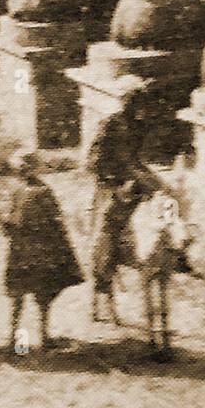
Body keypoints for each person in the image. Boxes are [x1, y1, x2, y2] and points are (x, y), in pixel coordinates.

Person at [0, 152, 83, 351]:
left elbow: (12, 225)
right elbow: (56, 221)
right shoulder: (40, 191)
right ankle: (38, 338)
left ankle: (17, 341)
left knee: (21, 297)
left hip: (23, 252)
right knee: (40, 296)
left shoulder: (24, 191)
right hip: (37, 252)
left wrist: (2, 220)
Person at [87, 86, 152, 322]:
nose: (141, 112)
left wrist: (147, 178)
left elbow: (136, 159)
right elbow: (93, 161)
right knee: (108, 228)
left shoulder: (139, 127)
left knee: (165, 200)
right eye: (137, 107)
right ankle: (105, 268)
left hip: (132, 179)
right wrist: (115, 180)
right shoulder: (109, 125)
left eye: (142, 108)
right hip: (111, 185)